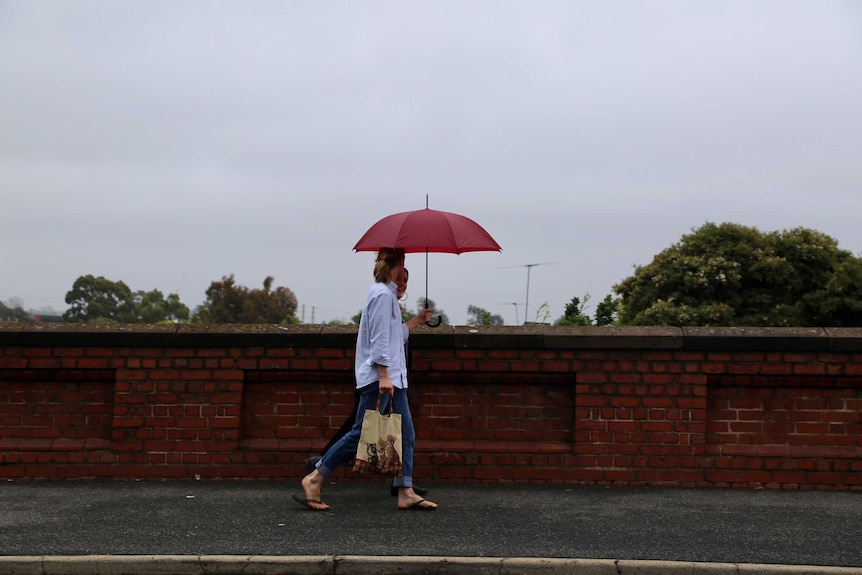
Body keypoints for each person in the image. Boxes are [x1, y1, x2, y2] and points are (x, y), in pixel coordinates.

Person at [293, 250, 438, 511]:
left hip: (395, 379)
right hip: (382, 378)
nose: (405, 281)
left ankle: (405, 490)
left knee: (406, 434)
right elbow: (379, 340)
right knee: (360, 433)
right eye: (403, 273)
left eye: (408, 278)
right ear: (396, 264)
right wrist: (383, 375)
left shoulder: (386, 296)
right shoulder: (383, 295)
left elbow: (395, 336)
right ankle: (314, 478)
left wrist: (417, 320)